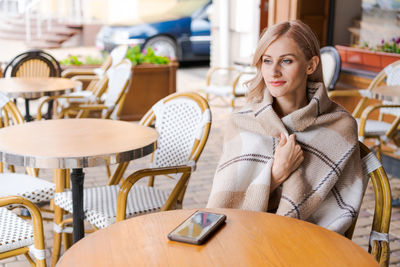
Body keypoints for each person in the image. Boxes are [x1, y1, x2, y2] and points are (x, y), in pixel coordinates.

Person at [206, 20, 367, 234]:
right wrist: (275, 174)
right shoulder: (242, 122)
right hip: (243, 236)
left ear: (311, 65)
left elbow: (340, 211)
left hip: (308, 243)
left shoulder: (340, 125)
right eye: (267, 60)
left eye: (286, 61)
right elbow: (225, 207)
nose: (273, 72)